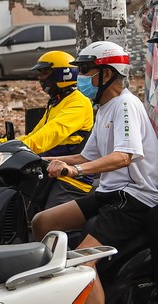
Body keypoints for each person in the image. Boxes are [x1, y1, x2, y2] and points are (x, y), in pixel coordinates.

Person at [31, 41, 158, 304]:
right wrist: (37, 160)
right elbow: (87, 155)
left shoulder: (125, 105)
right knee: (42, 222)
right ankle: (51, 288)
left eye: (87, 70)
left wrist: (74, 170)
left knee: (82, 263)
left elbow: (125, 156)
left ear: (107, 73)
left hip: (135, 197)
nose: (82, 78)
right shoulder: (103, 108)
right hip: (110, 193)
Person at [16, 50, 93, 208]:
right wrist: (6, 144)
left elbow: (51, 133)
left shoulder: (79, 103)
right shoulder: (56, 102)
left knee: (48, 220)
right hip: (49, 169)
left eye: (45, 73)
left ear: (62, 74)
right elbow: (36, 133)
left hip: (70, 176)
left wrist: (21, 149)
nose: (41, 78)